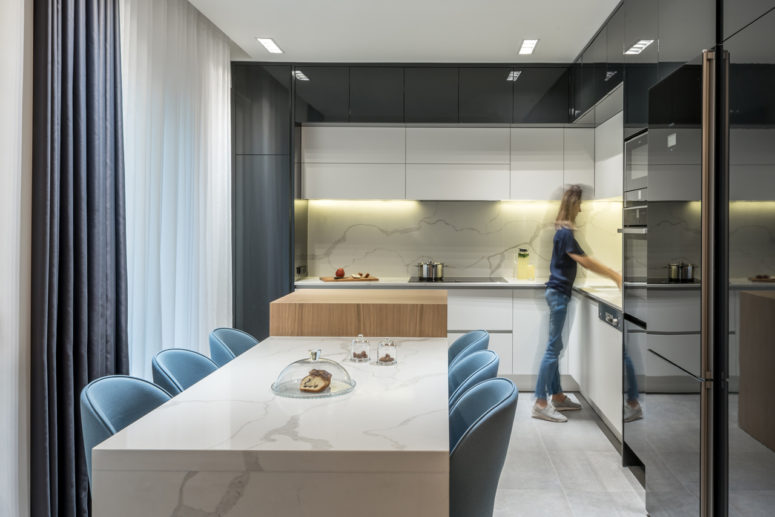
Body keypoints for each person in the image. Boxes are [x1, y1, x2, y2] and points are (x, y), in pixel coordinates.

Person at [532, 185, 623, 423]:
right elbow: (584, 261)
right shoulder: (564, 233)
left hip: (559, 293)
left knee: (556, 347)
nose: (582, 208)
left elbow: (583, 259)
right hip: (559, 295)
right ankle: (540, 402)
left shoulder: (564, 231)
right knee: (553, 349)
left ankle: (558, 396)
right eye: (580, 204)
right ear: (574, 204)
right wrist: (614, 275)